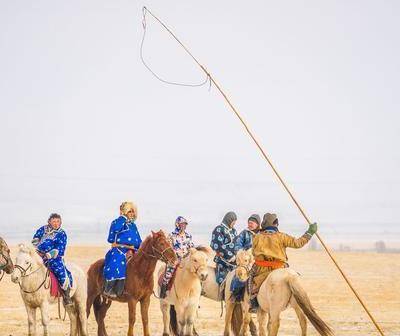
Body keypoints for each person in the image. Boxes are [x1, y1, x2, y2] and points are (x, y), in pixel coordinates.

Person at [249, 212, 317, 310]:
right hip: (280, 268)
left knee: (250, 284)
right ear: (275, 224)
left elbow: (254, 252)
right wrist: (310, 233)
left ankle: (253, 303)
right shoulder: (282, 236)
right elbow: (298, 243)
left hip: (261, 270)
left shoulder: (257, 237)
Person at [32, 213, 73, 306]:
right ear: (49, 222)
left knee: (61, 272)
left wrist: (48, 255)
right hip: (38, 255)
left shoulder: (61, 233)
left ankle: (66, 297)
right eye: (53, 221)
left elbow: (60, 248)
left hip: (54, 258)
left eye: (58, 221)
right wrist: (37, 249)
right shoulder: (43, 229)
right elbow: (35, 239)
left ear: (61, 222)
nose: (56, 223)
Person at [103, 201, 142, 298]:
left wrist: (141, 249)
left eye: (133, 212)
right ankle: (110, 289)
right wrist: (123, 218)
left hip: (134, 250)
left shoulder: (133, 225)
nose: (132, 214)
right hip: (120, 250)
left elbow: (139, 240)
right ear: (124, 212)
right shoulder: (117, 222)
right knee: (117, 262)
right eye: (129, 212)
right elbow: (111, 239)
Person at [159, 216, 194, 298]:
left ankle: (195, 296)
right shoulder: (171, 235)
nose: (184, 226)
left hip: (186, 259)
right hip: (175, 259)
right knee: (168, 274)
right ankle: (163, 293)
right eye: (182, 224)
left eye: (185, 224)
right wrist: (175, 255)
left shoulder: (188, 236)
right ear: (177, 224)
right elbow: (169, 248)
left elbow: (191, 247)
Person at [210, 211, 238, 286]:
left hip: (234, 261)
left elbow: (236, 243)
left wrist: (236, 255)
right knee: (222, 280)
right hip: (222, 261)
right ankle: (220, 294)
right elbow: (217, 245)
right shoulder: (219, 229)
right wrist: (229, 256)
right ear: (229, 220)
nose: (234, 224)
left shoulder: (234, 231)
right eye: (233, 222)